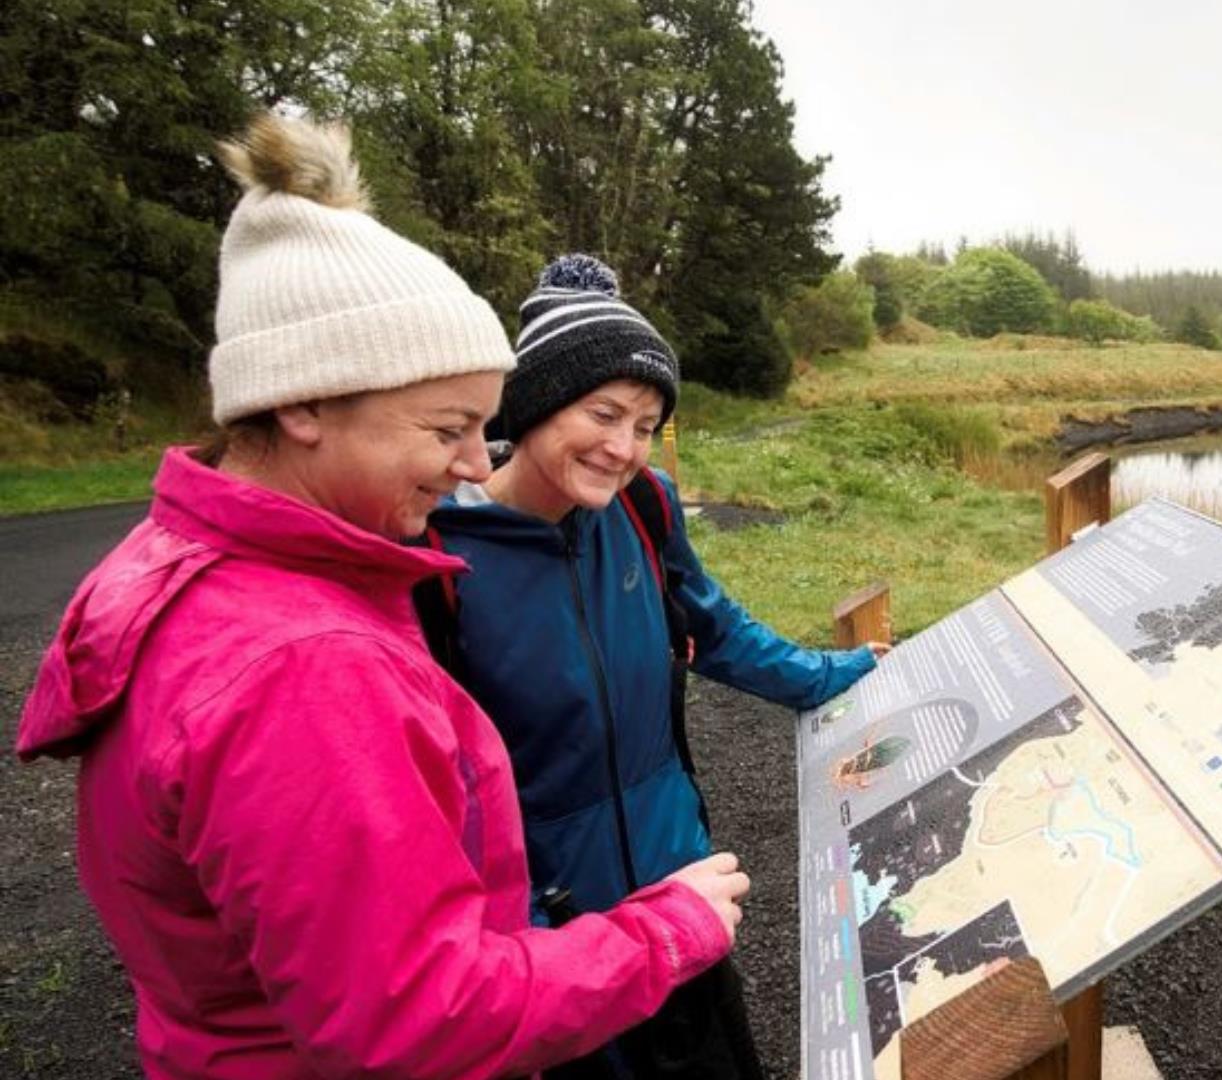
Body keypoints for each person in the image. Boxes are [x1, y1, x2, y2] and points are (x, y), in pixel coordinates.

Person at [13, 114, 749, 1079]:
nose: (466, 467)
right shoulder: (300, 665)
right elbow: (415, 1018)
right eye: (448, 427)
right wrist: (668, 930)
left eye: (483, 428)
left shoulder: (177, 568)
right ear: (304, 402)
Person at [415, 254, 888, 1079]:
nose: (623, 448)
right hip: (560, 943)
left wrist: (834, 675)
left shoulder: (643, 505)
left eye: (645, 424)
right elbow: (436, 793)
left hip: (684, 894)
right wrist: (518, 940)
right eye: (603, 414)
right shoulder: (437, 555)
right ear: (533, 404)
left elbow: (718, 629)